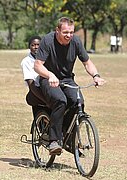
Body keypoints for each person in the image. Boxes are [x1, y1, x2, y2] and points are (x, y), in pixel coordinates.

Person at [34, 17, 105, 155]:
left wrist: (96, 75)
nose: (69, 35)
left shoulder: (76, 41)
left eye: (71, 32)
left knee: (78, 102)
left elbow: (87, 63)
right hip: (47, 79)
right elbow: (37, 65)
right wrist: (50, 75)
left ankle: (68, 138)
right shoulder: (48, 41)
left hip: (67, 80)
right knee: (60, 101)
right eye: (65, 32)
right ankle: (54, 140)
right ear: (57, 31)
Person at [20, 36, 46, 107]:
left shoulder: (47, 58)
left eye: (38, 45)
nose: (36, 47)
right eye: (33, 45)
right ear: (29, 47)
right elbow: (30, 83)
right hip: (35, 91)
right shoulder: (26, 62)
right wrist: (45, 100)